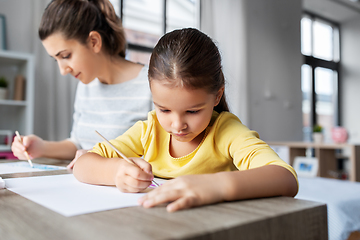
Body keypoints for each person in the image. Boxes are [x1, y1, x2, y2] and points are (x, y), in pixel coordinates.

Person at [73, 28, 298, 212]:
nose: (177, 124)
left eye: (192, 111)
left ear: (217, 96)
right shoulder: (149, 130)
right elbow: (83, 165)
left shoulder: (225, 132)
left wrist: (216, 186)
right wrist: (115, 171)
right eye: (164, 109)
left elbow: (286, 178)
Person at [11, 0, 153, 169]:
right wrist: (41, 147)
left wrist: (100, 160)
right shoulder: (86, 86)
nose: (63, 71)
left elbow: (163, 155)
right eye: (56, 59)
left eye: (65, 56)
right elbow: (78, 144)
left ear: (94, 42)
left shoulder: (151, 85)